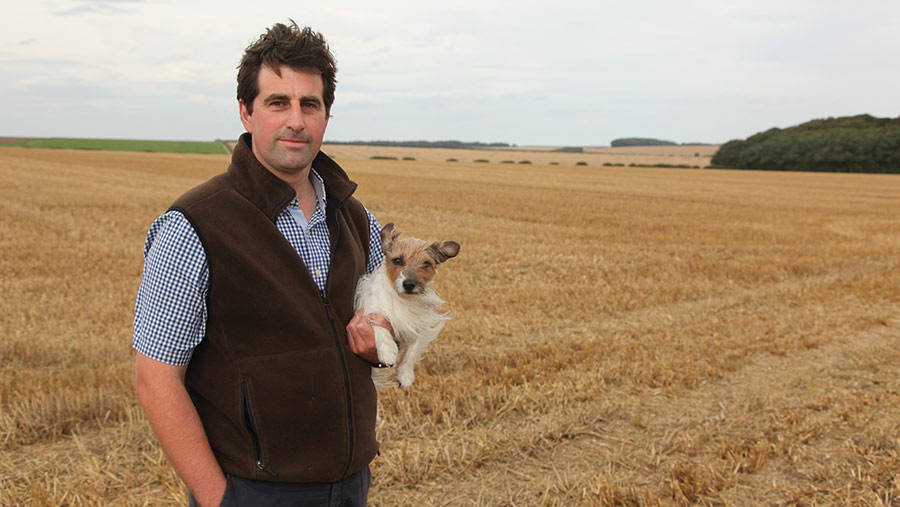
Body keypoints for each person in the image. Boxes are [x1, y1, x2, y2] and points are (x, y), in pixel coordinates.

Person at [133, 20, 390, 506]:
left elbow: (385, 332)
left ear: (326, 116)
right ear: (246, 113)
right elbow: (157, 379)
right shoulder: (194, 226)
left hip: (351, 483)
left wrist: (383, 337)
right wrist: (219, 499)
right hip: (253, 491)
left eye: (309, 104)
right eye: (278, 103)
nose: (296, 119)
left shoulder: (356, 218)